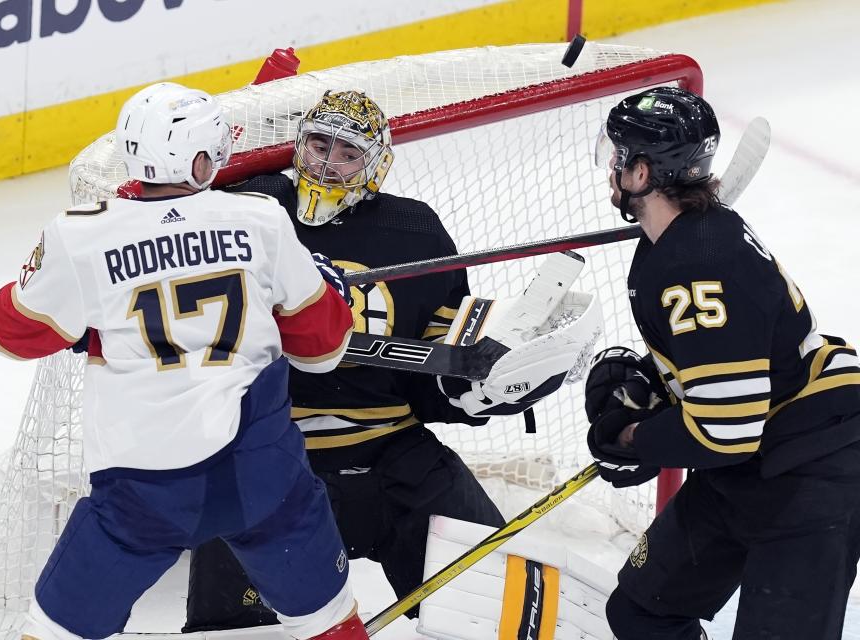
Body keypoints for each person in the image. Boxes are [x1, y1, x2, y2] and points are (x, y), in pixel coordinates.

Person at [183, 90, 583, 631]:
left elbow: (432, 378)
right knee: (228, 630)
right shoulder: (246, 210)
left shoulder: (413, 231)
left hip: (395, 453)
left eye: (345, 153)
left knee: (503, 612)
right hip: (268, 458)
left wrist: (485, 391)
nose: (326, 163)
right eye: (317, 144)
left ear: (375, 165)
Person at [0, 81, 369, 640]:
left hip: (141, 496)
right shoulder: (260, 219)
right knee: (332, 624)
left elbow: (10, 336)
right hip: (263, 479)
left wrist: (73, 303)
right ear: (196, 157)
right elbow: (322, 353)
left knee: (52, 633)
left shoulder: (81, 236)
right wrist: (327, 292)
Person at [584, 86, 860, 639]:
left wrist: (634, 438)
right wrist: (658, 380)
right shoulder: (687, 235)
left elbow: (726, 429)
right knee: (642, 611)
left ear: (641, 174)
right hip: (755, 455)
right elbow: (729, 355)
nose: (609, 167)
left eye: (618, 156)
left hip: (815, 466)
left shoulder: (694, 264)